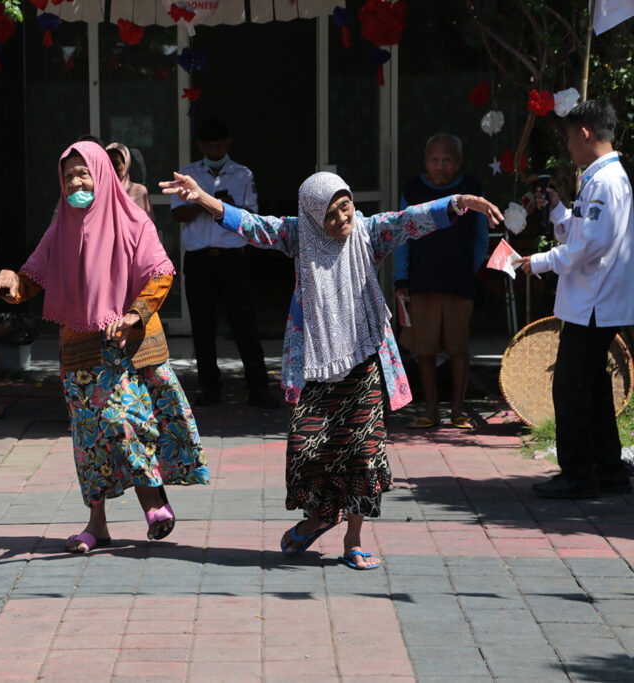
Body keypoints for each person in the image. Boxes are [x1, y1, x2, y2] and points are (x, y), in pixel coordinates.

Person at [162, 170, 502, 569]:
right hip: (316, 366)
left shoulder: (371, 232)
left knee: (363, 454)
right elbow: (253, 226)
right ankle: (319, 518)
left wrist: (460, 202)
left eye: (346, 207)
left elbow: (412, 220)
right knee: (311, 451)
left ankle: (353, 541)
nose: (342, 219)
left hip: (364, 362)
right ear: (311, 216)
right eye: (330, 214)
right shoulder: (297, 236)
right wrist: (203, 198)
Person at [0, 141, 209, 553]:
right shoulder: (60, 228)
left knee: (127, 421)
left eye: (84, 172)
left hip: (130, 345)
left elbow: (160, 274)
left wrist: (134, 315)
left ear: (103, 174)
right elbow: (31, 280)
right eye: (68, 176)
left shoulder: (134, 221)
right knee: (89, 441)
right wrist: (8, 281)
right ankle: (97, 524)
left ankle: (152, 498)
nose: (76, 182)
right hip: (81, 349)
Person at [517, 100, 634, 499]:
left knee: (570, 388)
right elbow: (583, 235)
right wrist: (558, 212)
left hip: (594, 304)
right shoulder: (600, 178)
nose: (568, 146)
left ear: (585, 133)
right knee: (593, 387)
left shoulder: (604, 181)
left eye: (569, 137)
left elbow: (590, 246)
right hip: (595, 302)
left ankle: (579, 474)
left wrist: (540, 261)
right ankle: (608, 470)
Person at [171, 117, 277, 408]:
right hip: (199, 258)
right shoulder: (188, 174)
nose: (214, 148)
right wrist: (204, 201)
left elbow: (251, 216)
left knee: (245, 324)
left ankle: (258, 388)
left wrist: (226, 206)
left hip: (232, 258)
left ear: (228, 143)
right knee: (202, 326)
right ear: (200, 145)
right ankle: (209, 387)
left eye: (219, 143)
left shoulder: (242, 174)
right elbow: (177, 214)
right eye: (209, 144)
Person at [394, 134, 489, 429]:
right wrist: (401, 277)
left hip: (459, 282)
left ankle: (458, 410)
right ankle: (431, 410)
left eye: (447, 160)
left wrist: (469, 270)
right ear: (426, 162)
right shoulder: (413, 189)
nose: (440, 166)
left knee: (458, 348)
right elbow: (402, 236)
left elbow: (480, 238)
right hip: (422, 282)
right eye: (434, 160)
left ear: (458, 162)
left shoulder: (471, 190)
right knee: (425, 349)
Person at [106, 142, 153, 219]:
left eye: (116, 164)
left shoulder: (139, 191)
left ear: (126, 165)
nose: (111, 168)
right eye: (108, 163)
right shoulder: (99, 191)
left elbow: (147, 225)